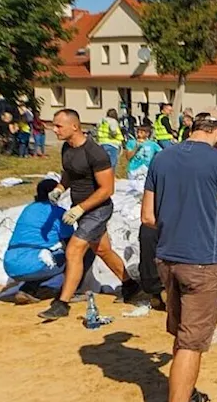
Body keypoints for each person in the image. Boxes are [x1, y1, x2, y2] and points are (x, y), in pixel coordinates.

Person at [141, 108, 217, 402]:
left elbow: (148, 216)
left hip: (167, 257)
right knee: (191, 343)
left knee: (182, 333)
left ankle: (187, 394)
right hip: (202, 260)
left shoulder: (162, 158)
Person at [37, 109, 142, 320]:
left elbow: (107, 189)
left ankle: (62, 303)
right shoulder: (68, 148)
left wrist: (80, 209)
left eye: (58, 126)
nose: (54, 129)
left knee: (74, 249)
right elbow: (70, 172)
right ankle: (130, 285)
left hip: (98, 209)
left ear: (74, 126)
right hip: (82, 208)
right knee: (102, 250)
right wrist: (60, 188)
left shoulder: (95, 152)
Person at [0, 179, 93, 305]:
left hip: (10, 263)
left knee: (42, 257)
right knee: (81, 251)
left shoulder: (28, 209)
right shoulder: (57, 213)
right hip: (34, 263)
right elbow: (72, 243)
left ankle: (27, 290)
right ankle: (72, 291)